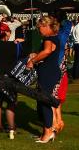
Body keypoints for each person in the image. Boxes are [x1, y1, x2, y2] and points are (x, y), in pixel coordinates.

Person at [25, 15, 62, 143]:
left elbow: (46, 52)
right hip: (50, 72)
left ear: (46, 26)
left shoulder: (48, 38)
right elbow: (48, 53)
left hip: (48, 73)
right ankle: (46, 131)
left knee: (44, 101)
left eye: (39, 27)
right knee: (42, 101)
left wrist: (33, 61)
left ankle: (48, 132)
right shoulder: (54, 38)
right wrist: (37, 55)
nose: (39, 30)